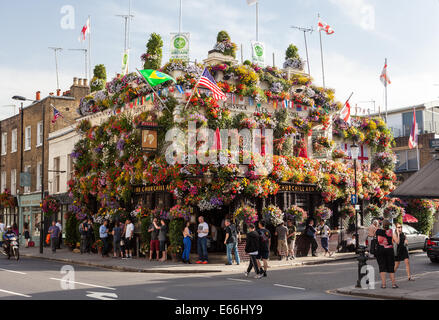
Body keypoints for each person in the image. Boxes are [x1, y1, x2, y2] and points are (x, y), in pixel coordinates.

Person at [376, 219, 398, 289]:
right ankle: (393, 284)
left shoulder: (378, 231)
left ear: (382, 225)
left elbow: (378, 240)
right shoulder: (392, 231)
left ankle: (383, 285)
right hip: (389, 250)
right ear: (389, 225)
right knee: (391, 267)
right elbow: (397, 241)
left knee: (382, 267)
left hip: (380, 250)